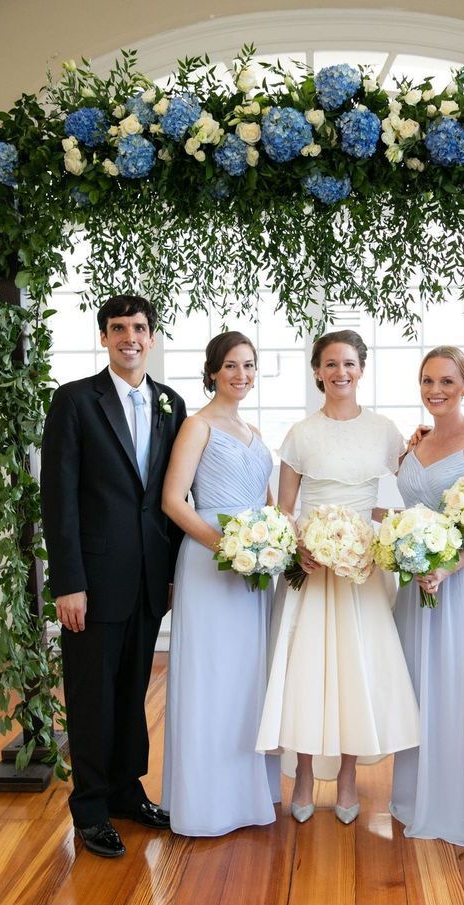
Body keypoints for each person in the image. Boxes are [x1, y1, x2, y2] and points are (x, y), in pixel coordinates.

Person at [40, 294, 186, 858]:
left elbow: (172, 499)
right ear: (104, 337)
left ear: (152, 338)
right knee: (91, 695)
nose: (130, 337)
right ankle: (92, 808)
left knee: (132, 692)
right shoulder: (75, 401)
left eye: (140, 328)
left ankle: (128, 791)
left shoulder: (171, 403)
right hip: (93, 582)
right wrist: (68, 582)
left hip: (149, 577)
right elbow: (60, 499)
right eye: (118, 328)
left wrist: (171, 574)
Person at [256, 329, 419, 824]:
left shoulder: (386, 431)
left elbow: (410, 491)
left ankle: (349, 775)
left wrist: (378, 533)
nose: (340, 372)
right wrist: (300, 547)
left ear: (362, 369)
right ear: (318, 372)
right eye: (330, 364)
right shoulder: (301, 434)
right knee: (308, 668)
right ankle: (303, 772)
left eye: (348, 363)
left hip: (362, 566)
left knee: (356, 668)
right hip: (311, 563)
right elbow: (283, 509)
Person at [160, 331, 281, 835]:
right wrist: (229, 549)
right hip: (213, 562)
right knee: (212, 676)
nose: (241, 375)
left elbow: (268, 501)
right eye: (231, 366)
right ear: (212, 372)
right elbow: (173, 501)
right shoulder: (197, 425)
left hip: (256, 565)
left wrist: (272, 546)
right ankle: (206, 803)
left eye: (249, 366)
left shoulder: (253, 430)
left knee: (249, 676)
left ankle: (250, 796)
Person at [390, 347, 464, 845]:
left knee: (455, 690)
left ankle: (457, 801)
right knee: (416, 689)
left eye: (446, 381)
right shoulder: (414, 444)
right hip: (414, 587)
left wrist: (447, 567)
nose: (435, 390)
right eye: (427, 381)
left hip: (460, 585)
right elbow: (397, 509)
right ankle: (416, 795)